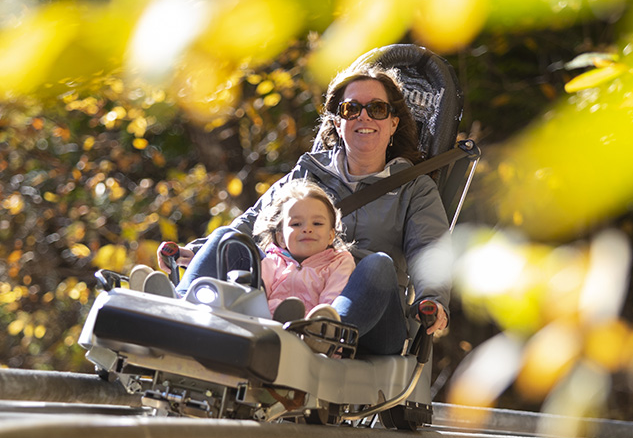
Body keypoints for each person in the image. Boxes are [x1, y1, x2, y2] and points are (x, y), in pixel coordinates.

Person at [160, 63, 450, 355]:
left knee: (378, 265)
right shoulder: (310, 173)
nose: (364, 116)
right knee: (227, 238)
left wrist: (433, 299)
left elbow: (428, 250)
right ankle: (173, 312)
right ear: (338, 122)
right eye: (351, 109)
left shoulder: (415, 187)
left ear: (393, 123)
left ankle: (323, 335)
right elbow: (255, 220)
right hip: (295, 295)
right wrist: (197, 251)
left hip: (372, 315)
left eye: (377, 109)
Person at [251, 180, 355, 321]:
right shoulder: (272, 262)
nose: (307, 229)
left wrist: (310, 319)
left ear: (331, 236)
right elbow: (257, 298)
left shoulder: (339, 262)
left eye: (317, 223)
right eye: (296, 224)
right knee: (229, 237)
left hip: (313, 327)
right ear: (281, 238)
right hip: (271, 324)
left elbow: (331, 302)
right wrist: (277, 309)